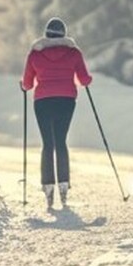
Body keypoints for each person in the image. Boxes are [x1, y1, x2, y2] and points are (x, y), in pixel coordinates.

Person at [21, 17, 92, 210]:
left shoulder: (35, 54)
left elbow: (27, 84)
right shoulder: (74, 53)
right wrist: (87, 79)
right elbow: (84, 80)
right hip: (66, 100)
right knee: (61, 141)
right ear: (64, 34)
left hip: (43, 100)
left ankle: (48, 185)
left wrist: (24, 85)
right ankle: (63, 183)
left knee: (48, 143)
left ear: (46, 34)